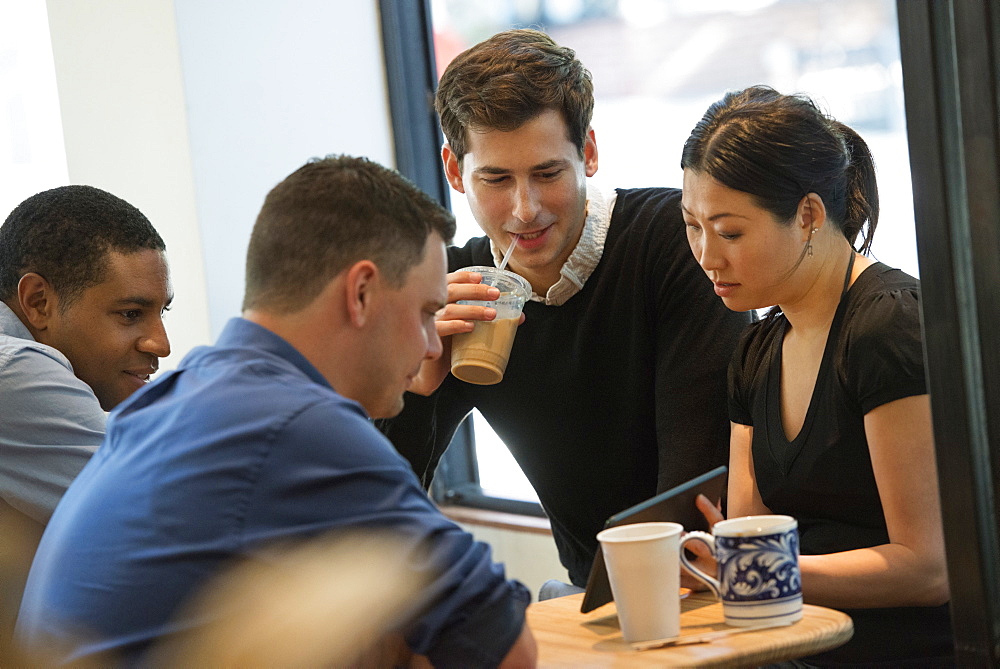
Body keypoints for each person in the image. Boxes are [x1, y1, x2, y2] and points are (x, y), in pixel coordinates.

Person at [17, 156, 537, 668]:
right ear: (360, 293)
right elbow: (507, 648)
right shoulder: (298, 425)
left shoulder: (182, 392)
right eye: (426, 313)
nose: (430, 346)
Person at [378, 29, 753, 592]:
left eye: (548, 174)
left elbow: (697, 488)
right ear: (455, 173)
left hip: (699, 579)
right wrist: (416, 388)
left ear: (591, 153)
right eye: (496, 179)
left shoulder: (674, 240)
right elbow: (381, 521)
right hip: (590, 596)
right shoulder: (459, 289)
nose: (524, 210)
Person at [680, 85, 953, 665]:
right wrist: (716, 564)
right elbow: (748, 538)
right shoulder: (756, 350)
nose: (707, 255)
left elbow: (930, 566)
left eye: (729, 232)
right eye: (692, 226)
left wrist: (755, 570)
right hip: (795, 649)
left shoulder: (889, 325)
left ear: (808, 214)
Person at [0, 185, 172, 646]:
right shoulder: (12, 371)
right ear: (38, 302)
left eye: (162, 312)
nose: (161, 344)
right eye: (131, 313)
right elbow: (167, 513)